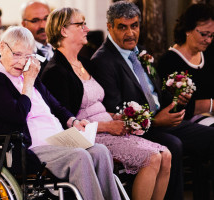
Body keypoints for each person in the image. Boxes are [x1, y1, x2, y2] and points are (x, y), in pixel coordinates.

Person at [0, 25, 122, 200]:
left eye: (28, 56)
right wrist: (27, 83)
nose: (22, 62)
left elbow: (55, 105)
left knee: (100, 151)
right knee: (80, 156)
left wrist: (73, 121)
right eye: (17, 55)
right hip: (28, 149)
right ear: (2, 48)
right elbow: (18, 115)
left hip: (57, 140)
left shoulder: (29, 76)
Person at [41, 7, 171, 200]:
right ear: (63, 30)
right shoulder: (55, 71)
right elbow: (65, 121)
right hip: (90, 137)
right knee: (151, 158)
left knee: (166, 155)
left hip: (109, 128)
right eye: (80, 24)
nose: (87, 29)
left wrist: (116, 117)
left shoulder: (85, 62)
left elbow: (95, 103)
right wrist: (107, 126)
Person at [90, 1, 214, 200]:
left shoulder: (140, 51)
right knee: (173, 145)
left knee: (210, 136)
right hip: (139, 130)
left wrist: (176, 98)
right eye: (123, 27)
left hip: (163, 120)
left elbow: (155, 91)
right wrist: (155, 121)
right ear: (110, 27)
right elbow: (115, 111)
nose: (130, 33)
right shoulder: (103, 61)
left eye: (135, 26)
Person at [157, 3, 214, 126]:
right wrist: (210, 104)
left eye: (212, 35)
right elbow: (172, 108)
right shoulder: (169, 62)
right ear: (188, 29)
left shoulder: (209, 52)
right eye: (204, 34)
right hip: (187, 123)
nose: (208, 40)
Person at [21, 0, 54, 76]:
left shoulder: (61, 46)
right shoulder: (21, 55)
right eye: (35, 21)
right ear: (24, 24)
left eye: (46, 18)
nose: (43, 25)